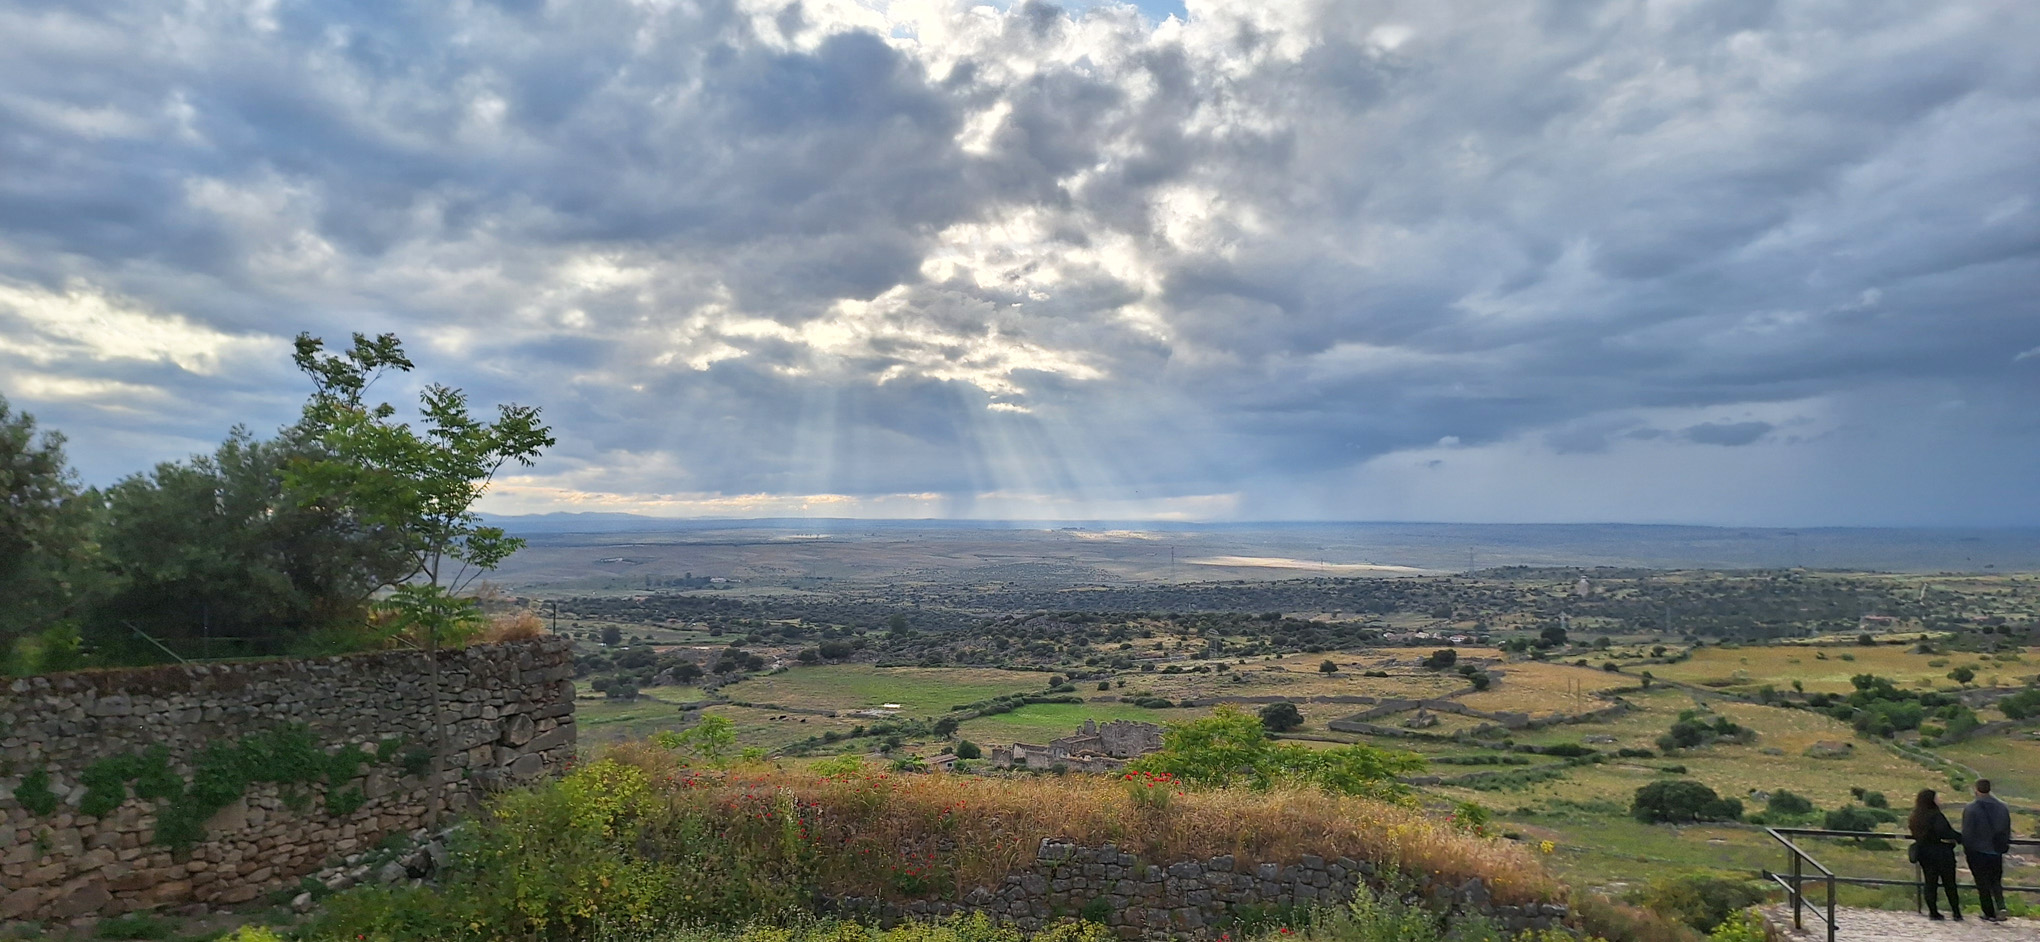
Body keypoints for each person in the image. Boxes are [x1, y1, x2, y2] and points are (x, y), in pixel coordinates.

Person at [1960, 778, 2013, 922]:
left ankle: (1988, 912)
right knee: (1996, 881)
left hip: (1977, 851)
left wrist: (1967, 849)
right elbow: (2006, 829)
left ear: (1976, 789)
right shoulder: (2002, 807)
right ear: (1989, 789)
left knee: (1982, 883)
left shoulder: (1970, 809)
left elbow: (1968, 833)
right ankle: (2001, 906)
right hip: (1996, 851)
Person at [1909, 788, 1962, 920]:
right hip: (1941, 853)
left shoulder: (1915, 816)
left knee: (1930, 883)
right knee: (1949, 883)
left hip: (1924, 853)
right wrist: (1960, 837)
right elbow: (1944, 832)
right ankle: (1956, 912)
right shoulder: (1936, 815)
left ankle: (1933, 911)